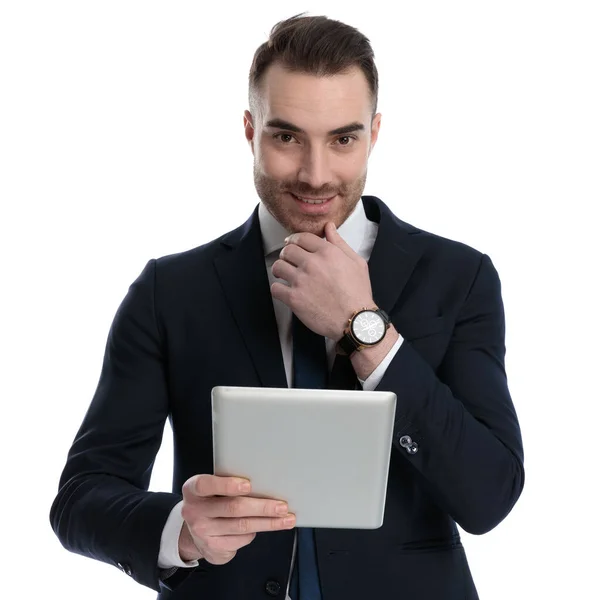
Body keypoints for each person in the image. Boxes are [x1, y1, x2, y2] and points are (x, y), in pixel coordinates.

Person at [50, 13, 524, 600]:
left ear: (374, 133)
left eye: (343, 139)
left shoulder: (461, 277)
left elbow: (490, 494)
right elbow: (80, 498)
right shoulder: (168, 292)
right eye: (286, 136)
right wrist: (182, 530)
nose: (314, 174)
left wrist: (365, 330)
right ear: (250, 130)